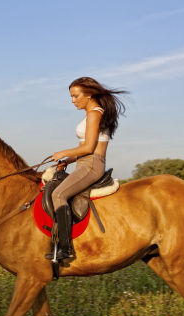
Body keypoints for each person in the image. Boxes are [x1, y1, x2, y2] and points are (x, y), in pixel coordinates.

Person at [49, 77, 127, 262]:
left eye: (75, 96)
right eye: (71, 97)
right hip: (83, 163)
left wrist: (62, 152)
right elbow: (83, 148)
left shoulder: (95, 114)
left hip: (92, 164)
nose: (72, 100)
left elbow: (89, 148)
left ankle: (66, 249)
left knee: (58, 195)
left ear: (89, 94)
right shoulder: (90, 115)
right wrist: (67, 161)